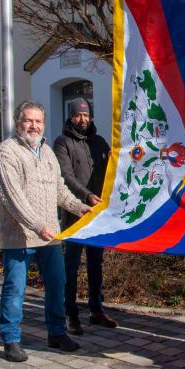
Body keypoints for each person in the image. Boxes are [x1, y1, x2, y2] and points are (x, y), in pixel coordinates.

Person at [0, 100, 91, 362]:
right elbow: (12, 198)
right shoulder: (7, 153)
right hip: (19, 235)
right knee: (15, 289)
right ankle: (11, 339)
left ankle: (56, 333)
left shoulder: (46, 152)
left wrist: (80, 208)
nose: (33, 126)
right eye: (28, 120)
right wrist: (36, 225)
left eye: (38, 121)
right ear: (18, 122)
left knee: (57, 285)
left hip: (50, 236)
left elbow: (59, 189)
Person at [53, 98, 116, 334]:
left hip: (98, 214)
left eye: (86, 115)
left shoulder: (98, 142)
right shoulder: (63, 143)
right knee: (71, 265)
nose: (83, 119)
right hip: (74, 213)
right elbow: (66, 175)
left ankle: (96, 309)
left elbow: (112, 167)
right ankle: (70, 313)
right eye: (78, 115)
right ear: (71, 117)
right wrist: (86, 195)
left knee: (95, 264)